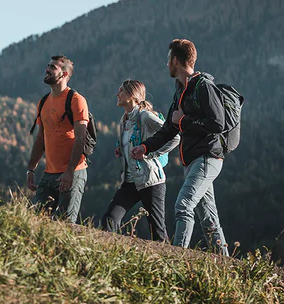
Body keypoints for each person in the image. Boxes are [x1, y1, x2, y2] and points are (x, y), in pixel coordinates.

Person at [130, 39, 229, 255]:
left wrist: (183, 120)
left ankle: (175, 259)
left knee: (183, 205)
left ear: (176, 60)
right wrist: (145, 147)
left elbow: (218, 123)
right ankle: (228, 266)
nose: (167, 65)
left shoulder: (204, 86)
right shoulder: (180, 92)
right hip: (193, 161)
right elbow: (168, 130)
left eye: (168, 60)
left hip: (207, 158)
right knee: (209, 219)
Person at [103, 79, 179, 242]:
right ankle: (111, 257)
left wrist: (149, 153)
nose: (117, 94)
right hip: (130, 182)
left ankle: (166, 263)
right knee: (110, 218)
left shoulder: (145, 116)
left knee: (157, 231)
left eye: (121, 91)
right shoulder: (123, 120)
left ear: (132, 95)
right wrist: (121, 149)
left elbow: (174, 137)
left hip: (151, 181)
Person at [26, 55, 89, 223]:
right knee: (36, 220)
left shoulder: (76, 100)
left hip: (73, 172)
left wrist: (69, 171)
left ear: (64, 74)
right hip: (49, 173)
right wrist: (31, 169)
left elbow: (80, 139)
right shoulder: (44, 102)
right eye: (48, 66)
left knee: (65, 225)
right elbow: (40, 139)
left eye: (53, 67)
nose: (47, 69)